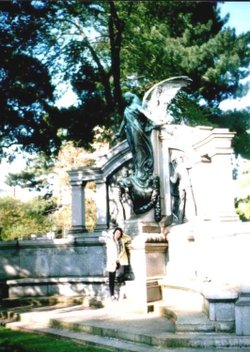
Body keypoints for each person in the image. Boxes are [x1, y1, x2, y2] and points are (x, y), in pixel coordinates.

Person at [102, 227, 131, 300]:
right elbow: (104, 236)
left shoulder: (122, 240)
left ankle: (120, 290)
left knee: (121, 274)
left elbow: (129, 238)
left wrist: (122, 234)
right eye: (117, 233)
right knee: (111, 278)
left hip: (121, 260)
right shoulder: (109, 240)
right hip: (112, 261)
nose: (118, 234)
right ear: (114, 233)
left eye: (119, 233)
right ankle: (112, 295)